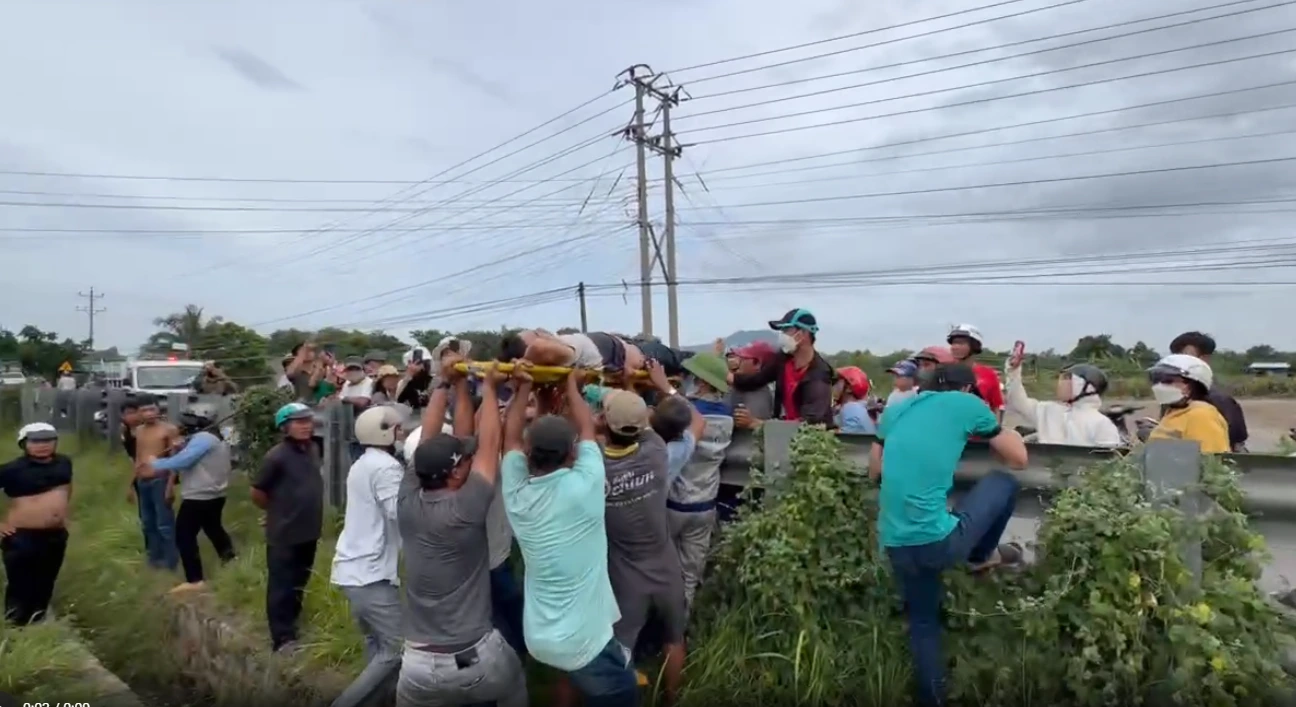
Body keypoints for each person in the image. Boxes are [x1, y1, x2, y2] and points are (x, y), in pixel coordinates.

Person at [869, 363, 1029, 707]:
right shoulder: (965, 404)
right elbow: (1018, 458)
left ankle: (933, 700)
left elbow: (874, 471)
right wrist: (1008, 431)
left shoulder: (895, 409)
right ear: (968, 390)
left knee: (924, 623)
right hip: (939, 542)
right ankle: (980, 557)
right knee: (1003, 482)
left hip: (896, 543)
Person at [502, 368, 640, 707]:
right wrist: (571, 386)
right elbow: (589, 429)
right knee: (622, 696)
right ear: (571, 454)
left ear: (528, 455)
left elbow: (510, 440)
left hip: (540, 637)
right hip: (585, 641)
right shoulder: (585, 488)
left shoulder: (517, 495)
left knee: (571, 681)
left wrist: (523, 392)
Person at [396, 358, 526, 707]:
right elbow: (488, 444)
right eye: (463, 463)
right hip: (473, 656)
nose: (470, 463)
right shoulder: (466, 509)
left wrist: (446, 382)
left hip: (416, 666)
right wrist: (488, 386)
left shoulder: (407, 497)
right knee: (514, 689)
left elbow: (430, 433)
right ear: (454, 476)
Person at [599, 381, 688, 704]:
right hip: (666, 568)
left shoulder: (594, 464)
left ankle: (620, 697)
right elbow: (652, 420)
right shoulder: (656, 451)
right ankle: (672, 698)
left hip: (626, 577)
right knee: (674, 638)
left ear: (604, 423)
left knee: (621, 645)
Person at [328, 405, 406, 707]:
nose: (403, 433)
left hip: (354, 571)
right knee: (396, 650)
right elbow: (399, 513)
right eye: (399, 429)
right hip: (371, 575)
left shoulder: (363, 463)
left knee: (377, 648)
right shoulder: (386, 468)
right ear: (385, 432)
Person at [660, 352, 731, 614]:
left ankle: (661, 630)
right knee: (690, 575)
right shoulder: (728, 415)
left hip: (675, 504)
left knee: (664, 569)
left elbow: (675, 415)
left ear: (701, 382)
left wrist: (665, 388)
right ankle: (682, 627)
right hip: (705, 505)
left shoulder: (689, 413)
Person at [251, 402, 324, 652]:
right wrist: (275, 511)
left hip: (308, 529)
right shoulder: (276, 456)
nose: (305, 426)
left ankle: (293, 626)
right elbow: (258, 491)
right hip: (283, 531)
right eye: (298, 422)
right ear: (284, 427)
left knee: (299, 581)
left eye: (308, 421)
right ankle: (282, 638)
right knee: (281, 584)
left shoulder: (313, 448)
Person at [136, 412, 236, 593]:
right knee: (214, 530)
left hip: (200, 496)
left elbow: (185, 461)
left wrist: (155, 463)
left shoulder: (203, 439)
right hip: (214, 494)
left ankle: (195, 580)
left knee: (184, 535)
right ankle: (231, 563)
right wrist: (183, 446)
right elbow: (195, 457)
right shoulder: (213, 438)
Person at [0, 423, 72, 625]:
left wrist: (63, 514)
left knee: (46, 582)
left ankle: (37, 625)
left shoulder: (64, 463)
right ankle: (15, 629)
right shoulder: (12, 469)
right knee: (20, 585)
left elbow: (67, 487)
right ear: (24, 444)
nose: (43, 445)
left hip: (55, 535)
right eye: (36, 441)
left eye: (48, 440)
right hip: (21, 536)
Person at [728, 309, 835, 426]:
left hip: (808, 441)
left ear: (802, 334)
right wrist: (733, 378)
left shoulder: (819, 376)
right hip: (785, 434)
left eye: (786, 330)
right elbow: (758, 379)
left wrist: (758, 424)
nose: (782, 335)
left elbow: (809, 424)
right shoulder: (783, 360)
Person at [1004, 352, 1121, 447]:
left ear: (1084, 386)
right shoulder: (1048, 410)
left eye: (1067, 379)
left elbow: (1108, 461)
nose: (1060, 384)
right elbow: (1017, 401)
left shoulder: (1101, 423)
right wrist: (1013, 372)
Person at [1168, 331, 1248, 452]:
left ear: (1205, 359)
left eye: (1185, 357)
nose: (1178, 363)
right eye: (1175, 357)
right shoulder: (1172, 397)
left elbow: (1235, 446)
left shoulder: (1221, 401)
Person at [131, 395, 180, 571]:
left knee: (164, 523)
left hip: (160, 480)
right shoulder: (139, 431)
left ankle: (171, 561)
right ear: (138, 413)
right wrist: (131, 484)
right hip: (143, 480)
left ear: (158, 409)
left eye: (152, 409)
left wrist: (170, 487)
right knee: (147, 522)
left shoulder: (169, 430)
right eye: (144, 410)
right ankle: (154, 559)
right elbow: (138, 458)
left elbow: (175, 460)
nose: (149, 413)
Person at [1146, 354, 1230, 453]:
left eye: (1167, 381)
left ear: (1191, 386)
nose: (1160, 385)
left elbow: (1208, 461)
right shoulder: (1174, 412)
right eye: (1156, 380)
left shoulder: (1201, 416)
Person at [946, 324, 1005, 421]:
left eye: (960, 343)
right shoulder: (943, 372)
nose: (954, 347)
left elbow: (996, 407)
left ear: (974, 346)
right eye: (953, 343)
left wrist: (995, 432)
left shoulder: (988, 374)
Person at [726, 341, 777, 429]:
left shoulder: (759, 393)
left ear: (757, 364)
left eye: (744, 358)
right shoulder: (741, 385)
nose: (738, 362)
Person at [834, 366, 875, 434]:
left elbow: (844, 438)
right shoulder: (859, 407)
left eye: (837, 381)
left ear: (849, 388)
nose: (834, 385)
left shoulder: (850, 408)